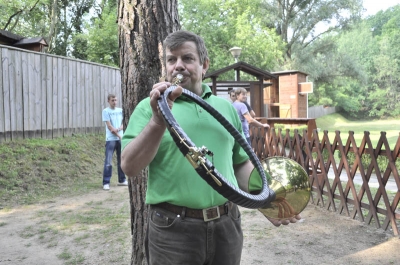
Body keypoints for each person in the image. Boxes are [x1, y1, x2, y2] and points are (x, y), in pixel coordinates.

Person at [121, 30, 299, 265]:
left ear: (204, 65)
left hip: (227, 224)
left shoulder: (224, 108)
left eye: (187, 58)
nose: (178, 66)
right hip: (173, 229)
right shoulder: (148, 108)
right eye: (171, 60)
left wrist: (266, 200)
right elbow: (129, 167)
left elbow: (240, 164)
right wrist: (157, 120)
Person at [102, 94, 127, 190]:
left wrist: (120, 128)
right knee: (108, 161)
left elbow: (123, 123)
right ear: (108, 101)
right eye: (112, 100)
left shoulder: (121, 110)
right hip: (111, 139)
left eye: (116, 100)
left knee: (121, 160)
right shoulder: (106, 111)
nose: (115, 102)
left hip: (120, 139)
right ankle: (106, 182)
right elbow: (109, 126)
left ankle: (122, 180)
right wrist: (119, 135)